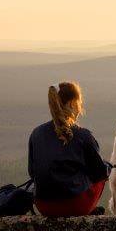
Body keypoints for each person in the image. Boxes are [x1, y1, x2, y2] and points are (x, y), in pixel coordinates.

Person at [28, 81, 108, 217]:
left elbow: (32, 172)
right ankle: (88, 209)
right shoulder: (83, 135)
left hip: (44, 206)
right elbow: (99, 173)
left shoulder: (36, 133)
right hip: (75, 206)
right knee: (105, 171)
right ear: (72, 104)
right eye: (79, 102)